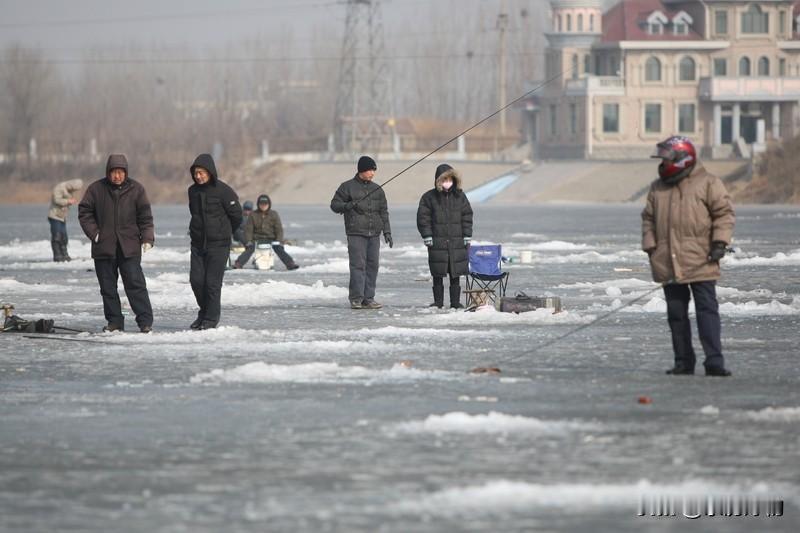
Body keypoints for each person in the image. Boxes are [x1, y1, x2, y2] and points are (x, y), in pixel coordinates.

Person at [641, 136, 735, 377]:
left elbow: (723, 214)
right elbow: (648, 219)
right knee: (676, 315)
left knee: (707, 311)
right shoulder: (657, 187)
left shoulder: (708, 183)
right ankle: (683, 361)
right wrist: (651, 246)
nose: (662, 163)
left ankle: (714, 361)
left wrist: (719, 243)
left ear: (683, 159)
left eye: (667, 159)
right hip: (667, 261)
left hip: (702, 259)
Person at [78, 154, 154, 333]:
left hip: (130, 247)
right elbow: (84, 212)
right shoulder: (96, 189)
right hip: (104, 247)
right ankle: (115, 321)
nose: (117, 176)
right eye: (113, 172)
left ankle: (145, 321)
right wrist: (95, 234)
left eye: (120, 172)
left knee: (135, 285)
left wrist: (147, 238)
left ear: (126, 172)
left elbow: (145, 216)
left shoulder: (137, 189)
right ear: (108, 172)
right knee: (108, 288)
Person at [188, 153, 243, 330]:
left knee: (212, 283)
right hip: (198, 244)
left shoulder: (224, 191)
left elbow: (237, 216)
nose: (198, 176)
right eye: (196, 173)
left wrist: (224, 232)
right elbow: (193, 213)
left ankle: (211, 319)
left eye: (202, 173)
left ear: (210, 172)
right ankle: (204, 312)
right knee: (196, 281)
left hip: (219, 245)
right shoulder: (192, 191)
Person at [330, 155, 392, 309]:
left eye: (374, 170)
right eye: (370, 170)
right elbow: (334, 205)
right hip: (356, 232)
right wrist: (348, 205)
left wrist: (387, 232)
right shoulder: (347, 187)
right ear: (361, 170)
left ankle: (368, 298)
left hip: (374, 234)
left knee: (373, 266)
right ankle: (356, 298)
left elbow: (384, 212)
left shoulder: (377, 189)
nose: (372, 173)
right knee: (358, 266)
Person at [417, 164, 473, 309]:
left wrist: (467, 235)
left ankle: (455, 302)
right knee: (438, 273)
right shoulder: (429, 197)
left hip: (456, 241)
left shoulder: (460, 196)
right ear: (438, 180)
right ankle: (438, 302)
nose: (447, 182)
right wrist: (427, 235)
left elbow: (467, 216)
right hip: (437, 242)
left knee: (455, 273)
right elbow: (423, 218)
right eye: (444, 179)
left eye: (449, 179)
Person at [233, 194, 299, 270]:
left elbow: (279, 229)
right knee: (250, 249)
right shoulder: (253, 214)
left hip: (271, 238)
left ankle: (290, 264)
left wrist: (279, 240)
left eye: (265, 204)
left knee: (279, 248)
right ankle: (238, 263)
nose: (263, 206)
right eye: (261, 204)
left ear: (269, 204)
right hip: (256, 238)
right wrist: (249, 241)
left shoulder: (274, 214)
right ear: (258, 204)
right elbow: (249, 230)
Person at [47, 179, 83, 262]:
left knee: (64, 237)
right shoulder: (59, 188)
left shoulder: (70, 191)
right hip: (54, 216)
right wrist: (68, 201)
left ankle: (64, 255)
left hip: (62, 217)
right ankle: (57, 256)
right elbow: (56, 200)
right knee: (57, 236)